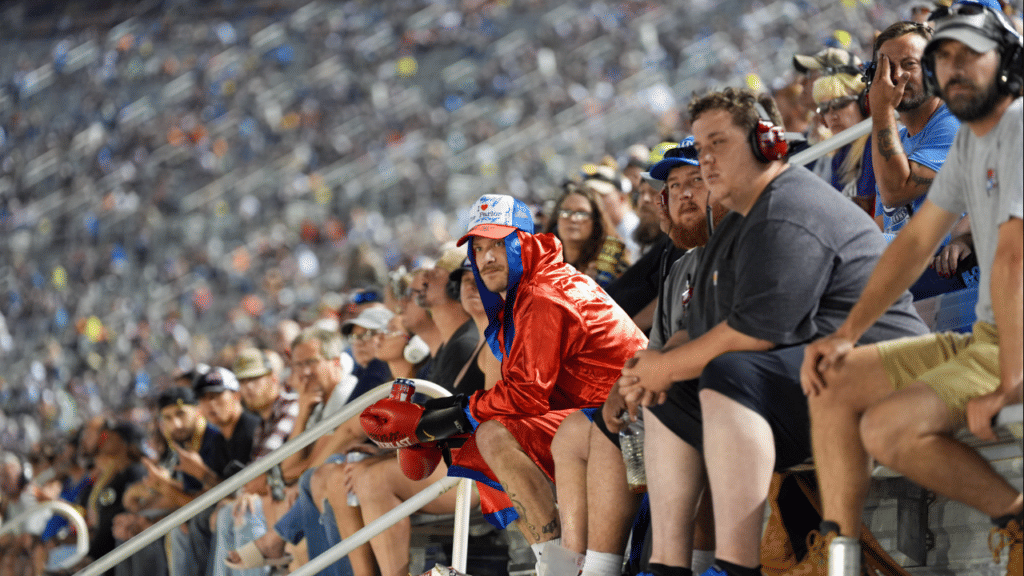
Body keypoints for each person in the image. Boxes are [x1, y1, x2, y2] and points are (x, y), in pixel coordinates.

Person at [617, 88, 928, 576]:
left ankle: (738, 568)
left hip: (881, 368)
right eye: (701, 149)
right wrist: (645, 372)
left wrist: (668, 364)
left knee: (727, 373)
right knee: (670, 389)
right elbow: (698, 332)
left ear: (766, 143)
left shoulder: (788, 205)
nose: (707, 161)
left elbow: (757, 333)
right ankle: (668, 567)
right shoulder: (736, 224)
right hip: (813, 378)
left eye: (718, 144)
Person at [800, 3, 1022, 574]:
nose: (950, 72)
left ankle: (1016, 521)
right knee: (833, 379)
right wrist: (845, 335)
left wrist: (1011, 380)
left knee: (887, 427)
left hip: (1010, 342)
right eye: (943, 59)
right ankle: (845, 557)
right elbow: (912, 239)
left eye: (964, 58)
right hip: (986, 336)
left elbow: (1014, 258)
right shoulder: (976, 138)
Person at [361, 194, 647, 573]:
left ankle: (558, 566)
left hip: (629, 422)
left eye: (499, 243)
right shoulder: (531, 290)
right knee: (489, 432)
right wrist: (441, 422)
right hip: (601, 417)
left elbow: (526, 395)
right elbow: (521, 395)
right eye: (478, 248)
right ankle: (561, 562)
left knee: (494, 435)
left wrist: (434, 418)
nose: (487, 257)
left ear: (525, 242)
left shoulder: (543, 294)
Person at [553, 137, 728, 576]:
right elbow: (659, 343)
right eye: (673, 185)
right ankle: (581, 567)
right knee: (580, 431)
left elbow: (702, 337)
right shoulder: (681, 261)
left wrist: (634, 382)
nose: (683, 193)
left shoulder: (736, 243)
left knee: (664, 416)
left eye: (696, 181)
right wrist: (626, 383)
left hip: (732, 390)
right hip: (681, 388)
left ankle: (691, 566)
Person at [811, 69, 876, 215]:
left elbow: (863, 206)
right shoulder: (840, 155)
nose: (832, 115)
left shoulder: (876, 142)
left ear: (864, 103)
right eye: (824, 109)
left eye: (840, 103)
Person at [544, 183, 630, 287]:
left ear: (596, 221)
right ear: (557, 219)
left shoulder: (611, 262)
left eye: (582, 213)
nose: (573, 219)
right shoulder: (542, 259)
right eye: (565, 212)